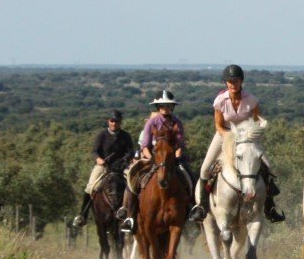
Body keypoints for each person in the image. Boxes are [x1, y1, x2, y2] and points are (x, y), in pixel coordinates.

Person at [192, 64, 285, 224]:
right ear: (226, 83)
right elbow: (219, 126)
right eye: (229, 81)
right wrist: (229, 136)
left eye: (235, 81)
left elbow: (257, 122)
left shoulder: (252, 100)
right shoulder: (220, 101)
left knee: (267, 167)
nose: (233, 84)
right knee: (205, 168)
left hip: (247, 137)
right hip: (225, 135)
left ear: (241, 81)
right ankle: (202, 206)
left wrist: (251, 134)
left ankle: (270, 207)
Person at [120, 88, 193, 232]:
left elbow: (179, 144)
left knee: (190, 176)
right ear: (158, 107)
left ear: (172, 106)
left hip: (172, 158)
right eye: (163, 105)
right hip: (153, 157)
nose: (166, 108)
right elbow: (145, 146)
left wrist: (177, 156)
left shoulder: (177, 122)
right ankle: (129, 215)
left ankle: (194, 209)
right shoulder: (152, 122)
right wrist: (152, 159)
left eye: (168, 105)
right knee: (132, 177)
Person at [71, 109, 133, 229]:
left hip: (121, 167)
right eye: (112, 121)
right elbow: (95, 151)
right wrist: (100, 160)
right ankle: (82, 215)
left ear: (120, 122)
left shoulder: (126, 135)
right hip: (104, 166)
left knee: (133, 185)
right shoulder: (102, 135)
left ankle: (130, 217)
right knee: (91, 186)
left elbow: (130, 151)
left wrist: (125, 160)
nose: (114, 123)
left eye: (117, 121)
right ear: (108, 121)